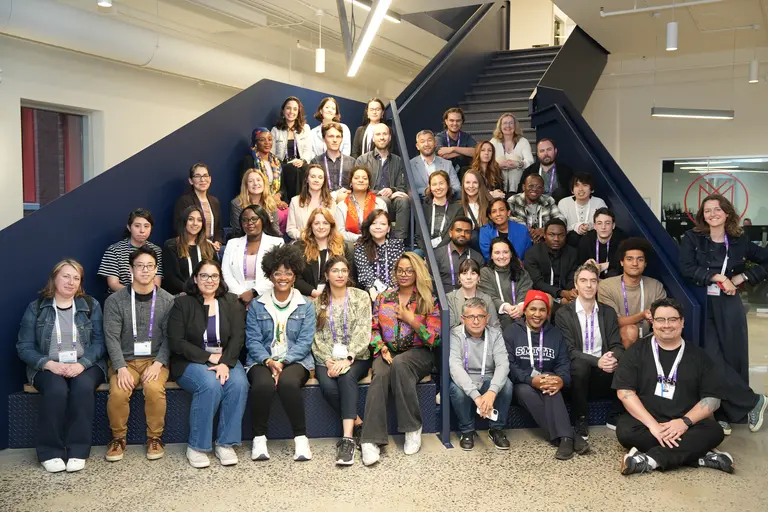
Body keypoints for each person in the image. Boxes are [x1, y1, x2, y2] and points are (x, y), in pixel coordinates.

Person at [679, 194, 768, 435]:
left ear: (727, 213)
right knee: (711, 359)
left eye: (717, 209)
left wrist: (744, 277)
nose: (712, 214)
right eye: (707, 210)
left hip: (729, 303)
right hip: (702, 303)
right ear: (702, 215)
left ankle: (728, 414)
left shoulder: (739, 241)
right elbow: (686, 268)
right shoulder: (692, 238)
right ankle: (752, 401)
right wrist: (717, 277)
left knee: (732, 358)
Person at [613, 298, 734, 475]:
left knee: (714, 431)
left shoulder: (699, 356)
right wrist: (654, 425)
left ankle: (650, 460)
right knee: (625, 431)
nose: (666, 325)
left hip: (686, 423)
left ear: (682, 322)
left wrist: (684, 422)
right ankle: (698, 456)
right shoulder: (636, 352)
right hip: (647, 422)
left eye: (673, 319)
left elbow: (713, 400)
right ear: (653, 323)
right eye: (660, 320)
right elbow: (624, 393)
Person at [16, 260, 106, 473]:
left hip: (86, 364)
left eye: (76, 278)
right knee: (56, 390)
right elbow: (24, 347)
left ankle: (78, 450)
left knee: (82, 388)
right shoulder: (37, 308)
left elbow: (99, 343)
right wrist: (49, 364)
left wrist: (82, 364)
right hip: (47, 366)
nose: (71, 282)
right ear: (54, 278)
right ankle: (50, 452)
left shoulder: (90, 305)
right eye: (66, 276)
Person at [360, 253, 441, 466]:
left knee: (401, 363)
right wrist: (381, 347)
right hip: (388, 352)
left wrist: (412, 320)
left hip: (419, 353)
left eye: (409, 270)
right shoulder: (384, 297)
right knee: (380, 375)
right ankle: (370, 440)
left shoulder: (428, 300)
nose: (404, 274)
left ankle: (412, 428)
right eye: (400, 270)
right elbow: (373, 328)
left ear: (417, 272)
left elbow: (434, 339)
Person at [167, 259, 248, 468]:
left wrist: (225, 363)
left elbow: (238, 337)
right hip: (190, 360)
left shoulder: (232, 302)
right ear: (195, 278)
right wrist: (208, 358)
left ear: (220, 279)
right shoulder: (182, 303)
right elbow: (176, 342)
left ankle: (225, 443)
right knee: (209, 385)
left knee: (239, 384)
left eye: (214, 276)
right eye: (204, 276)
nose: (209, 280)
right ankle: (197, 446)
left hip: (225, 358)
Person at [246, 245, 316, 462]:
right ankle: (259, 439)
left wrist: (283, 362)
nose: (283, 278)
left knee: (288, 383)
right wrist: (268, 361)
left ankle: (301, 439)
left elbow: (305, 341)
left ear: (295, 275)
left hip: (296, 360)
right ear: (270, 275)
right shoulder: (257, 305)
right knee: (262, 384)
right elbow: (253, 340)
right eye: (277, 273)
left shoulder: (306, 305)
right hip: (262, 359)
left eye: (288, 273)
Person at [103, 246, 174, 462]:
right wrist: (120, 367)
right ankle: (118, 438)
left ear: (156, 270)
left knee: (154, 389)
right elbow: (111, 337)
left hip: (154, 360)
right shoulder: (115, 301)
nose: (145, 270)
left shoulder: (168, 300)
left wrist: (159, 363)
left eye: (150, 266)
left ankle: (155, 438)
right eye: (140, 266)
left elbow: (170, 337)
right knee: (118, 392)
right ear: (130, 269)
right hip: (125, 360)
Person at [505, 290, 589, 460]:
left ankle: (564, 439)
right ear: (525, 310)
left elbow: (563, 364)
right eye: (533, 309)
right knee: (525, 390)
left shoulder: (555, 334)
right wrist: (530, 380)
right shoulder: (511, 332)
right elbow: (510, 365)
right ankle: (570, 435)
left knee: (551, 380)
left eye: (542, 310)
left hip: (548, 383)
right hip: (522, 384)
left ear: (548, 313)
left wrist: (561, 380)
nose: (537, 314)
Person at [311, 256, 372, 465]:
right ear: (326, 275)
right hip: (326, 358)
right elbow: (316, 336)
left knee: (346, 377)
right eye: (335, 271)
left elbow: (363, 330)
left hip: (357, 357)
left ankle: (347, 440)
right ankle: (359, 422)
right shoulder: (318, 302)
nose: (340, 275)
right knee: (328, 387)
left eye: (344, 271)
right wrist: (328, 360)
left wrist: (348, 358)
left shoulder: (360, 297)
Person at [555, 264, 624, 438]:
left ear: (598, 284)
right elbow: (569, 350)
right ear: (576, 285)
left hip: (603, 373)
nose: (588, 285)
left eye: (593, 281)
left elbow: (617, 345)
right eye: (583, 280)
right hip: (576, 376)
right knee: (580, 365)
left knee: (627, 360)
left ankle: (616, 414)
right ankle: (580, 419)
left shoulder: (608, 312)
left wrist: (612, 358)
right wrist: (597, 361)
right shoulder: (563, 313)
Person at [449, 297, 512, 450]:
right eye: (471, 317)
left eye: (480, 316)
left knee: (507, 385)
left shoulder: (495, 334)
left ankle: (496, 429)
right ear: (463, 319)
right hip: (466, 378)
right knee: (456, 389)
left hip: (488, 378)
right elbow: (455, 367)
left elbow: (503, 364)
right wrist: (476, 396)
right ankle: (467, 430)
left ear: (487, 318)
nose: (476, 321)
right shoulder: (455, 334)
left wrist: (492, 391)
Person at [598, 238, 667, 348]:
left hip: (647, 337)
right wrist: (642, 315)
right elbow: (613, 322)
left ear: (645, 263)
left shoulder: (656, 286)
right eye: (629, 259)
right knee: (630, 330)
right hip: (615, 340)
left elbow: (663, 318)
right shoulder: (606, 286)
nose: (635, 264)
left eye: (640, 260)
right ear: (622, 262)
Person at [355, 123, 410, 240]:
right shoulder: (362, 160)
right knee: (384, 200)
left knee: (404, 201)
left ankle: (398, 241)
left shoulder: (398, 161)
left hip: (392, 200)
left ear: (389, 137)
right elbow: (358, 186)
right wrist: (379, 193)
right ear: (373, 138)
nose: (382, 137)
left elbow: (402, 186)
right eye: (378, 134)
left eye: (385, 134)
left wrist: (392, 190)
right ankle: (381, 240)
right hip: (370, 198)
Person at [222, 205, 284, 304]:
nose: (249, 223)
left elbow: (278, 273)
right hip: (237, 299)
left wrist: (254, 293)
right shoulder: (232, 244)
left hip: (268, 297)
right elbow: (226, 273)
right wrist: (242, 295)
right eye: (245, 220)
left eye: (254, 219)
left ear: (263, 220)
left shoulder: (277, 243)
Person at [98, 208, 164, 294]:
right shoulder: (114, 250)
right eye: (137, 226)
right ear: (129, 227)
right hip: (122, 296)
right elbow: (113, 284)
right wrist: (135, 294)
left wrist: (144, 295)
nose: (142, 230)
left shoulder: (156, 250)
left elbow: (157, 282)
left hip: (150, 297)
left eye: (146, 226)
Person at [295, 208, 354, 298]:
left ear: (331, 226)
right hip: (307, 297)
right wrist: (313, 293)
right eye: (316, 223)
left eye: (325, 223)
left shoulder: (344, 247)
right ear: (311, 226)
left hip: (337, 297)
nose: (321, 227)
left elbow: (349, 277)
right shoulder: (299, 248)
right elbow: (296, 278)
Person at [479, 237, 533, 330]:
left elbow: (526, 292)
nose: (501, 256)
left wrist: (521, 307)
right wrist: (506, 307)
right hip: (495, 319)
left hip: (521, 316)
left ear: (511, 254)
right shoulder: (485, 273)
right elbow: (489, 296)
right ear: (491, 255)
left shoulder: (522, 272)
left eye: (505, 252)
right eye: (497, 253)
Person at [524, 219, 578, 311]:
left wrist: (572, 292)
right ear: (544, 235)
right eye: (552, 235)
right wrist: (562, 293)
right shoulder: (533, 253)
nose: (556, 239)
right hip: (541, 295)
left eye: (561, 235)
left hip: (566, 295)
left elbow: (571, 278)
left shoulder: (572, 253)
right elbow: (537, 283)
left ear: (566, 236)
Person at [162, 205, 217, 296]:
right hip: (182, 295)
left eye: (199, 220)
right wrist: (193, 291)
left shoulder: (209, 247)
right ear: (184, 221)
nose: (195, 223)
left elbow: (216, 273)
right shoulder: (171, 246)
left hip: (206, 294)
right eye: (191, 219)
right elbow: (172, 279)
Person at [242, 128, 289, 231]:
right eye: (262, 140)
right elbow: (247, 186)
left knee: (288, 213)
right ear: (255, 142)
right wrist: (270, 199)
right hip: (259, 202)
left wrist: (278, 197)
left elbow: (283, 187)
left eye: (270, 139)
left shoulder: (277, 162)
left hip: (276, 201)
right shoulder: (249, 160)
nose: (267, 142)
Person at [354, 209, 406, 301]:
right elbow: (364, 271)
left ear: (388, 228)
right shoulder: (360, 247)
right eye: (374, 223)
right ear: (369, 227)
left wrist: (390, 291)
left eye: (382, 224)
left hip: (395, 290)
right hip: (371, 291)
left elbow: (397, 270)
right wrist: (373, 289)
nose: (378, 227)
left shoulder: (397, 245)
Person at [271, 96, 315, 200]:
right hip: (283, 165)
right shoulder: (275, 130)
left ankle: (305, 200)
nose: (291, 112)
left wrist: (302, 160)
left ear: (298, 112)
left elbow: (308, 150)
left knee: (305, 169)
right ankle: (295, 201)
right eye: (288, 108)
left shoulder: (305, 128)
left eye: (295, 109)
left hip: (301, 163)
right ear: (283, 110)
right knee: (292, 170)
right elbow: (272, 153)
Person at [173, 163, 224, 251]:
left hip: (213, 248)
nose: (202, 180)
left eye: (205, 176)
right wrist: (205, 243)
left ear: (210, 179)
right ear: (191, 181)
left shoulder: (215, 201)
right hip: (193, 247)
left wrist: (217, 242)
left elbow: (218, 229)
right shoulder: (184, 201)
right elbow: (180, 228)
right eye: (197, 176)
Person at [335, 166, 388, 244]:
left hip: (375, 243)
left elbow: (384, 228)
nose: (361, 180)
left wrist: (369, 239)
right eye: (356, 178)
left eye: (365, 178)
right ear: (351, 183)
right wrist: (361, 238)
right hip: (351, 246)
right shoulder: (342, 206)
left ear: (369, 183)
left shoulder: (380, 203)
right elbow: (340, 232)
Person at [508, 173, 566, 244]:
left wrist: (546, 229)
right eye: (531, 186)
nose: (534, 189)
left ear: (543, 189)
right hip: (520, 241)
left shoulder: (548, 200)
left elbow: (561, 219)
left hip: (544, 243)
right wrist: (525, 228)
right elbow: (506, 219)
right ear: (523, 187)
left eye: (539, 187)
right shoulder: (513, 201)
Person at [433, 216, 484, 294]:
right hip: (443, 299)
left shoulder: (477, 257)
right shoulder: (437, 255)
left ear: (471, 235)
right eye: (458, 230)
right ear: (450, 233)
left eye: (467, 232)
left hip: (471, 299)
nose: (463, 234)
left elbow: (481, 285)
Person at [286, 164, 335, 241]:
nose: (316, 180)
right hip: (302, 243)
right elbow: (290, 229)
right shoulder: (295, 201)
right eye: (313, 176)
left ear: (323, 181)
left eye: (320, 177)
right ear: (307, 179)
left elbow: (334, 228)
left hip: (325, 243)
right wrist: (305, 236)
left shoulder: (331, 202)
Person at [447, 259, 500, 329]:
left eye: (473, 273)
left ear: (478, 278)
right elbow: (450, 328)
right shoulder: (449, 298)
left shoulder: (486, 299)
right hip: (458, 335)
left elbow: (495, 327)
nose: (468, 277)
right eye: (464, 273)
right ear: (459, 277)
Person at [410, 130, 461, 202]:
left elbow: (457, 188)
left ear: (435, 143)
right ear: (417, 146)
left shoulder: (447, 164)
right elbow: (408, 189)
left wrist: (444, 190)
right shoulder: (410, 165)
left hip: (445, 203)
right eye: (422, 141)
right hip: (420, 205)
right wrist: (426, 191)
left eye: (429, 140)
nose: (426, 144)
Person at [309, 122, 355, 203]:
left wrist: (353, 191)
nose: (335, 140)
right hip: (323, 202)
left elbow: (358, 186)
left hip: (347, 202)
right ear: (324, 139)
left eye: (338, 137)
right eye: (331, 136)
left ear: (342, 139)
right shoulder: (316, 162)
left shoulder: (351, 162)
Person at [557, 173, 607, 245]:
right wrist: (576, 227)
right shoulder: (564, 203)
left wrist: (590, 226)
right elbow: (560, 226)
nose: (580, 189)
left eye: (585, 185)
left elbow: (605, 223)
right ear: (572, 190)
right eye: (577, 185)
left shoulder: (599, 202)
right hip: (570, 241)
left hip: (593, 240)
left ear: (592, 189)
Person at [489, 113, 534, 195]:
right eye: (505, 123)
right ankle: (500, 190)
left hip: (518, 181)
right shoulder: (493, 142)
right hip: (497, 181)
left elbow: (530, 162)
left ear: (515, 126)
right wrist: (498, 165)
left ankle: (514, 192)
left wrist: (518, 164)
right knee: (499, 160)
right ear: (500, 126)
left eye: (511, 123)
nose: (508, 126)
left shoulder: (523, 141)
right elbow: (487, 161)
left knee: (516, 159)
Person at [517, 138, 574, 202]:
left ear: (555, 151)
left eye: (549, 149)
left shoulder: (566, 171)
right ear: (537, 154)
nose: (546, 153)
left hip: (558, 206)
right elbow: (520, 193)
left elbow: (572, 195)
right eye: (542, 151)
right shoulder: (529, 171)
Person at [230, 168, 281, 238]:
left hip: (269, 240)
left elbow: (275, 229)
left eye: (258, 180)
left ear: (264, 183)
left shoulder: (271, 203)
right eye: (251, 181)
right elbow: (239, 231)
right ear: (246, 185)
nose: (256, 183)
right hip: (245, 240)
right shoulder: (237, 204)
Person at [577, 208, 627, 278]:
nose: (603, 227)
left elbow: (626, 263)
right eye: (599, 223)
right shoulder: (586, 240)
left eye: (607, 223)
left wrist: (607, 265)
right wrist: (585, 264)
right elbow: (579, 265)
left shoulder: (622, 240)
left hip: (612, 279)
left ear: (613, 225)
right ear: (594, 226)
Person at [418, 170, 462, 250]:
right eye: (434, 184)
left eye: (441, 183)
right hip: (425, 250)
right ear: (430, 188)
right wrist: (427, 251)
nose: (438, 187)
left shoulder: (457, 209)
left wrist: (438, 251)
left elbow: (453, 235)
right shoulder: (423, 208)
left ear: (448, 185)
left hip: (447, 249)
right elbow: (418, 235)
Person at [479, 198, 532, 262]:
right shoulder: (485, 231)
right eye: (494, 211)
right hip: (495, 266)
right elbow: (488, 256)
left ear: (508, 213)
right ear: (490, 216)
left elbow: (528, 256)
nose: (498, 214)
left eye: (501, 210)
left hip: (520, 267)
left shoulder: (522, 230)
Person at [435, 107, 477, 177]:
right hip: (445, 174)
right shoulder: (440, 137)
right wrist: (464, 152)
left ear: (462, 121)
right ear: (446, 121)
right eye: (451, 120)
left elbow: (476, 151)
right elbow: (442, 154)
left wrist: (453, 149)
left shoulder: (467, 137)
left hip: (465, 175)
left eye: (458, 121)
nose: (455, 123)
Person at [460, 168, 492, 249]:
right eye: (468, 182)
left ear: (480, 184)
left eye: (475, 182)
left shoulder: (490, 204)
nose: (471, 186)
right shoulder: (458, 206)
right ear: (463, 185)